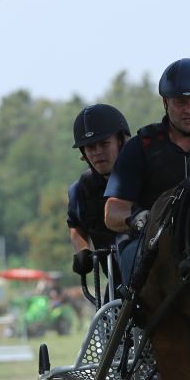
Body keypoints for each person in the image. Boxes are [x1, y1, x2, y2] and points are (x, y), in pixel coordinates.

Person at [104, 58, 190, 284]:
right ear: (165, 103)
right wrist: (136, 219)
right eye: (180, 103)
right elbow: (111, 213)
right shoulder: (140, 148)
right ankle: (136, 318)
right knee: (131, 258)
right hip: (151, 244)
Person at [67, 103, 130, 284]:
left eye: (104, 143)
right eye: (90, 147)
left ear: (121, 141)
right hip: (117, 285)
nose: (98, 153)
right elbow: (75, 224)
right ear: (83, 153)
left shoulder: (146, 177)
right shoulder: (81, 190)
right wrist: (82, 251)